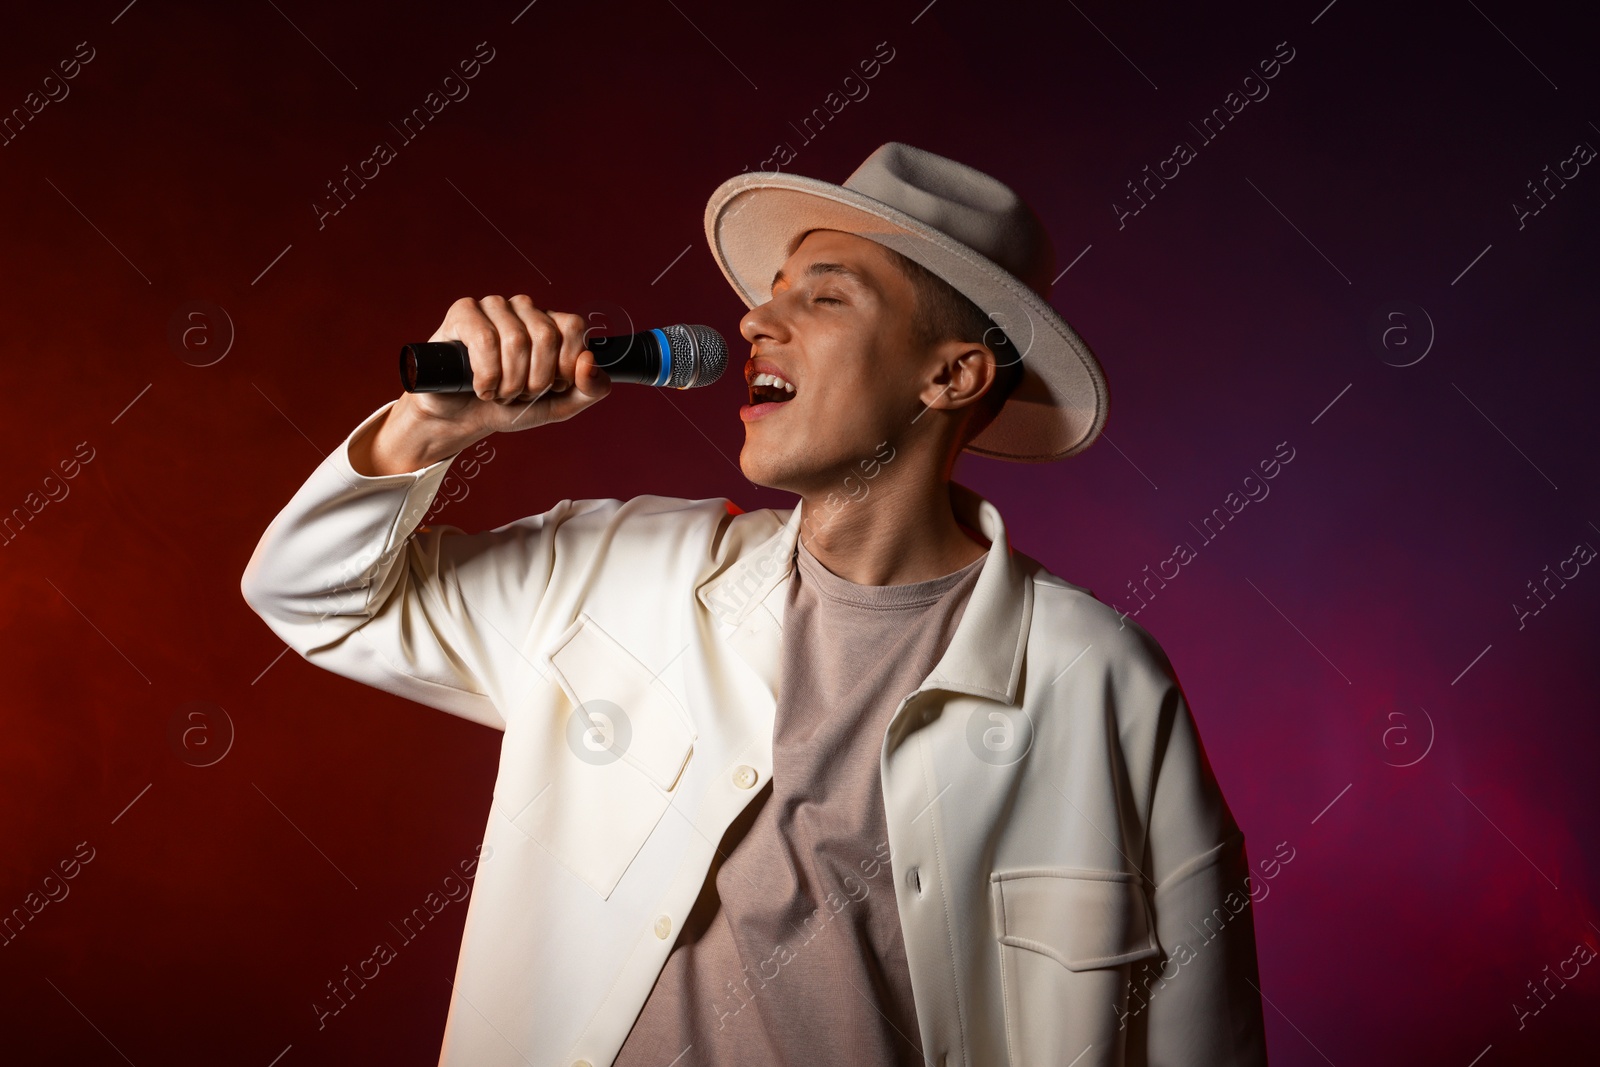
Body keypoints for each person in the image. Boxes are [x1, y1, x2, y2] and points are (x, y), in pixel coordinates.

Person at [241, 142, 1268, 1067]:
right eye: (768, 290)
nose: (751, 320)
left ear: (950, 374)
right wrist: (432, 427)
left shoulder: (1101, 682)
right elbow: (311, 596)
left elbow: (1198, 1035)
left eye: (823, 297)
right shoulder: (615, 568)